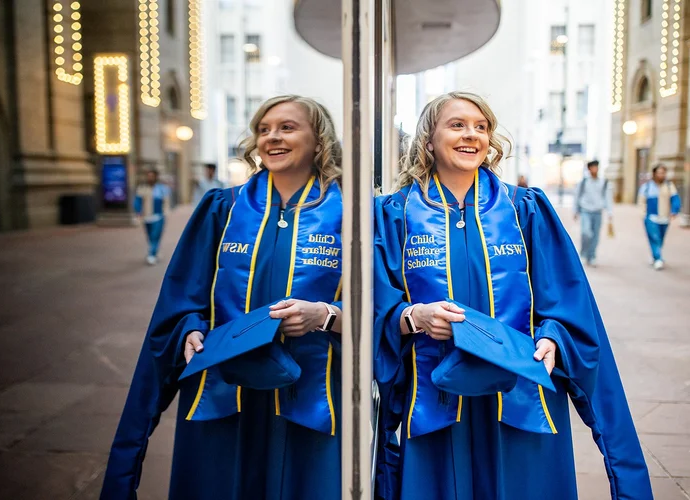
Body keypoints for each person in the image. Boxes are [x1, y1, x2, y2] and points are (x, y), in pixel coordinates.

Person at [373, 91, 652, 500]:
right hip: (435, 403)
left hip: (522, 400)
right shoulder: (394, 215)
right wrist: (412, 317)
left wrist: (553, 339)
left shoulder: (525, 210)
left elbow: (572, 313)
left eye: (481, 127)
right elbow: (375, 308)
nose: (472, 135)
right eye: (457, 125)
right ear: (428, 140)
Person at [101, 95, 344, 500]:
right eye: (263, 130)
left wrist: (326, 314)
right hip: (223, 392)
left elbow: (383, 306)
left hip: (313, 396)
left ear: (319, 141)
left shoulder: (354, 213)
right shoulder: (223, 209)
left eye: (287, 127)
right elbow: (181, 303)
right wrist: (190, 330)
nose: (272, 138)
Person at [637, 164, 682, 270]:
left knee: (660, 239)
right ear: (654, 174)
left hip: (664, 218)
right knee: (654, 238)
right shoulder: (647, 187)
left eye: (663, 173)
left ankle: (655, 255)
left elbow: (675, 199)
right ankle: (658, 258)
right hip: (651, 218)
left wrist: (674, 210)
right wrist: (643, 215)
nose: (661, 175)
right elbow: (641, 202)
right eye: (659, 173)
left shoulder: (669, 186)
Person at [574, 160, 613, 266]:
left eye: (596, 167)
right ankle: (583, 253)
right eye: (593, 167)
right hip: (585, 211)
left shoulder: (604, 182)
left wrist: (610, 212)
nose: (595, 169)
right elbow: (577, 196)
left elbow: (607, 197)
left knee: (595, 235)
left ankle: (592, 256)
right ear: (589, 169)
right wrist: (575, 211)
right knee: (586, 233)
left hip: (598, 212)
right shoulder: (583, 183)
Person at [134, 168, 171, 265]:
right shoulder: (142, 188)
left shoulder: (162, 189)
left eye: (152, 176)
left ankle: (151, 255)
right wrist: (138, 212)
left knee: (155, 236)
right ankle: (155, 250)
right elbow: (137, 202)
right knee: (150, 237)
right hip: (147, 217)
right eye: (148, 176)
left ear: (156, 177)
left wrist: (165, 213)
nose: (150, 178)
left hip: (158, 217)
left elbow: (166, 202)